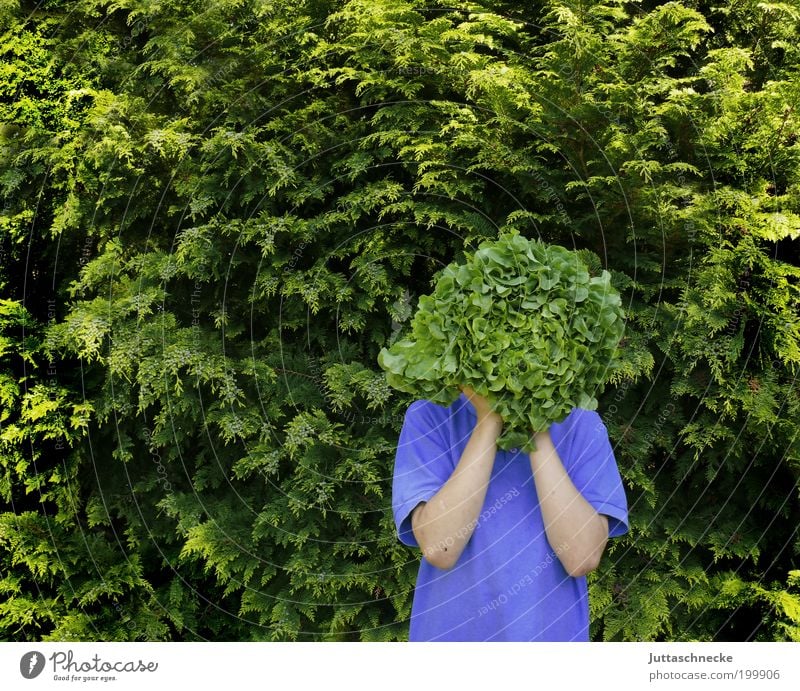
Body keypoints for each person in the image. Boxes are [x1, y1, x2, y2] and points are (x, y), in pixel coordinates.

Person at [391, 384, 629, 641]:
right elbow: (440, 548)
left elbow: (582, 557)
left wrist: (537, 423)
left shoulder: (581, 423)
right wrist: (488, 420)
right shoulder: (430, 416)